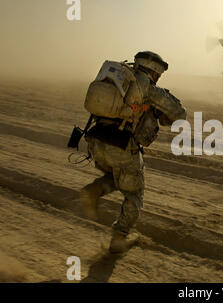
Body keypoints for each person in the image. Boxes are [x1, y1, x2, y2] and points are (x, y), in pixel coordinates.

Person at [80, 51, 186, 253]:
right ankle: (119, 238)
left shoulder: (119, 80)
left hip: (96, 140)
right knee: (134, 194)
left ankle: (93, 191)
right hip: (121, 145)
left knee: (117, 176)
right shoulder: (146, 86)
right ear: (155, 71)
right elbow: (179, 114)